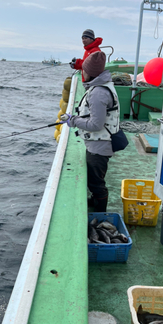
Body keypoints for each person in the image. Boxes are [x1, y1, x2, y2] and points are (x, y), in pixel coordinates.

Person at [63, 51, 120, 212]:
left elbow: (96, 124)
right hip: (99, 144)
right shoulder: (101, 87)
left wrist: (72, 120)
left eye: (84, 70)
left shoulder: (98, 93)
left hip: (100, 146)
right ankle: (95, 201)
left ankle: (100, 213)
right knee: (95, 179)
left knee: (96, 183)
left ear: (89, 72)